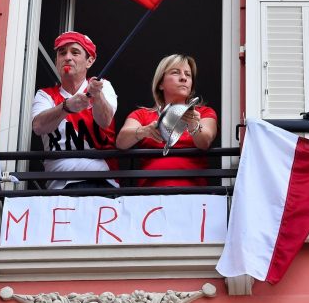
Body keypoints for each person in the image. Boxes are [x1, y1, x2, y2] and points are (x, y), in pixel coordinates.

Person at [31, 31, 118, 190]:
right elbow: (38, 126)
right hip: (59, 187)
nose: (67, 57)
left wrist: (97, 96)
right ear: (56, 61)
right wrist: (66, 107)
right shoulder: (45, 95)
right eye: (61, 53)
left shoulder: (102, 86)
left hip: (102, 184)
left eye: (75, 52)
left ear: (89, 61)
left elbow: (105, 121)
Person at [116, 54, 217, 187]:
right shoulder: (142, 115)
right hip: (150, 196)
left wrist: (193, 124)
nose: (183, 78)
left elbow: (205, 142)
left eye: (188, 74)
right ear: (160, 84)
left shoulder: (204, 113)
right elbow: (121, 142)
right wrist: (144, 131)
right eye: (176, 72)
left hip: (194, 196)